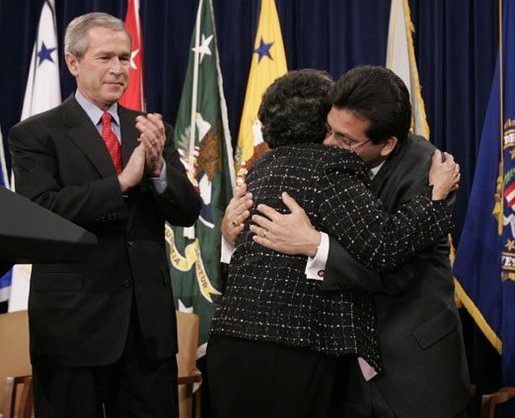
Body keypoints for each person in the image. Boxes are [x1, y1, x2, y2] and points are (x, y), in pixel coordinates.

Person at [208, 68, 459, 418]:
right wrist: (232, 234)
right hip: (328, 365)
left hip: (408, 367)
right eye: (328, 130)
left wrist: (315, 246)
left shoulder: (428, 171)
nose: (329, 145)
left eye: (344, 140)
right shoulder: (293, 163)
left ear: (386, 143)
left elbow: (396, 266)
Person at [8, 12, 201, 418]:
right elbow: (42, 211)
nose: (118, 69)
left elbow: (186, 213)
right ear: (73, 63)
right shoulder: (36, 134)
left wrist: (159, 172)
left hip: (146, 330)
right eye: (105, 58)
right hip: (73, 327)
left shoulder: (148, 128)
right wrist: (122, 183)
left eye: (125, 58)